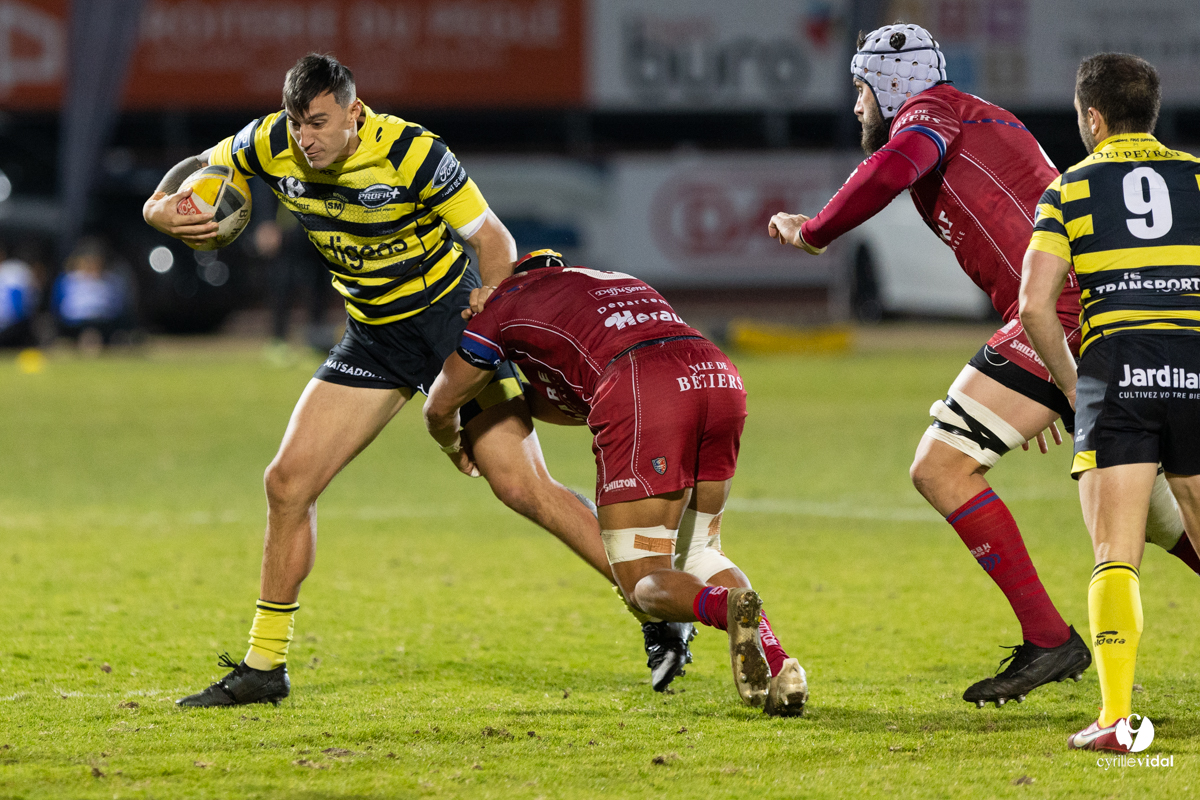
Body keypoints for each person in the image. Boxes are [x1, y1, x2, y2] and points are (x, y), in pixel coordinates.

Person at [143, 54, 692, 707]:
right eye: (296, 125)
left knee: (523, 487)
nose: (304, 139)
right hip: (375, 336)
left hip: (449, 327)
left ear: (355, 111)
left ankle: (658, 607)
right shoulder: (268, 142)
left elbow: (494, 239)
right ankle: (265, 666)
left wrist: (490, 316)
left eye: (318, 123)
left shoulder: (411, 151)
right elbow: (184, 183)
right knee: (287, 483)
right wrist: (161, 214)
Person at [766, 23, 1197, 707]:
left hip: (1061, 312)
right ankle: (1051, 637)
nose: (857, 108)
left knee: (940, 467)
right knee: (1157, 510)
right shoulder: (981, 114)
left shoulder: (928, 115)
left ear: (889, 85)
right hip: (1080, 315)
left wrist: (814, 230)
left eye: (861, 90)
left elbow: (898, 163)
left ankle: (1050, 639)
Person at [423, 250, 809, 715]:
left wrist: (452, 443)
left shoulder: (505, 302)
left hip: (641, 384)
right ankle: (780, 664)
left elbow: (443, 403)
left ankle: (725, 609)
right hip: (717, 374)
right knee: (702, 550)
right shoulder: (614, 282)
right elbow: (574, 398)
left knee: (641, 581)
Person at [1019, 53, 1200, 752]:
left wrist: (1070, 385)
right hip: (1193, 359)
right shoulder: (1195, 177)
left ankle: (1116, 721)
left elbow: (1035, 307)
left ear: (1093, 118)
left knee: (1115, 554)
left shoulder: (1068, 190)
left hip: (1117, 368)